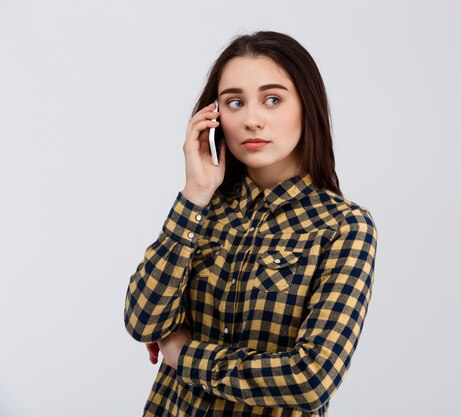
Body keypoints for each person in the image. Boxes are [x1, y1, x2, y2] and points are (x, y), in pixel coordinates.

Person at [124, 30, 378, 417]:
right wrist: (195, 192)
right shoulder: (202, 209)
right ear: (215, 115)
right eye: (235, 102)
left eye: (272, 100)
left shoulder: (342, 227)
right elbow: (142, 320)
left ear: (306, 107)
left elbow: (311, 379)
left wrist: (186, 356)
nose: (252, 120)